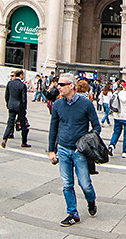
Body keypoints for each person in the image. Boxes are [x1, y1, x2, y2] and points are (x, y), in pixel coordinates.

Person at [48, 74, 100, 227]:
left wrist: (84, 144)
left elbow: (96, 127)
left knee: (85, 184)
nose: (58, 87)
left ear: (71, 86)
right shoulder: (58, 105)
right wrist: (51, 150)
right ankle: (73, 214)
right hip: (63, 149)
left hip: (79, 151)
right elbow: (53, 128)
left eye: (62, 84)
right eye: (58, 84)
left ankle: (91, 201)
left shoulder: (86, 104)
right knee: (67, 184)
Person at [1, 69, 31, 149]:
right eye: (23, 75)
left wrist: (8, 104)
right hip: (19, 107)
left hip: (11, 105)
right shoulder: (22, 85)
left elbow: (6, 95)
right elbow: (24, 99)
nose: (23, 76)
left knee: (10, 123)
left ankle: (4, 139)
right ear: (20, 75)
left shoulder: (10, 83)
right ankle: (24, 142)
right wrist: (24, 108)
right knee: (23, 125)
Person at [108, 81, 126, 158]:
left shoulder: (117, 94)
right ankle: (125, 151)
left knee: (116, 132)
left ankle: (112, 145)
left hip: (117, 116)